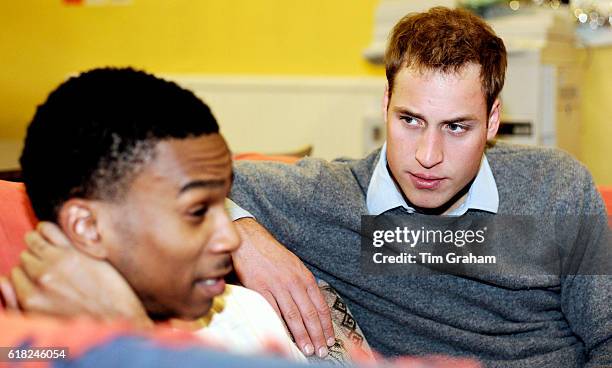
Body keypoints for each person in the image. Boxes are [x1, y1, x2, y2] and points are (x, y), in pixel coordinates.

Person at [223, 6, 611, 367]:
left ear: (493, 120)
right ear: (386, 104)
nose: (428, 155)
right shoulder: (325, 198)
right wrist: (242, 233)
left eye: (456, 127)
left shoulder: (557, 189)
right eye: (410, 120)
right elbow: (173, 180)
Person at [0, 67, 305, 361]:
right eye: (197, 212)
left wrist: (132, 335)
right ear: (88, 227)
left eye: (222, 205)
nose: (230, 237)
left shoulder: (249, 312)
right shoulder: (27, 351)